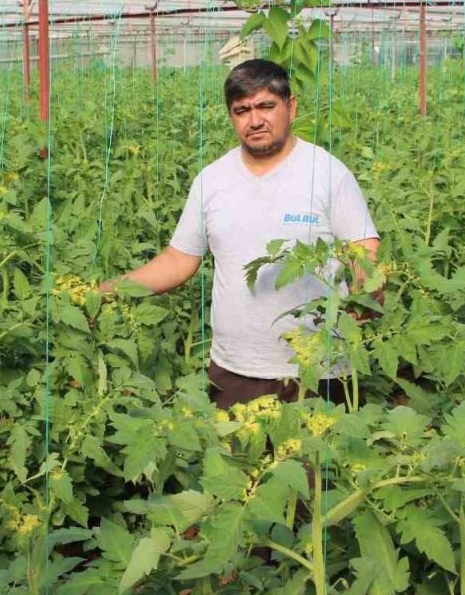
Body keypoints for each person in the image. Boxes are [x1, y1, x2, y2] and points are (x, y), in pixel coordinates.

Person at [100, 59, 380, 409]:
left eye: (266, 106)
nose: (255, 120)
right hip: (234, 369)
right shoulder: (212, 181)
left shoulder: (327, 173)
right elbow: (178, 259)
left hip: (317, 369)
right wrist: (111, 289)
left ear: (290, 107)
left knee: (311, 463)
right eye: (242, 110)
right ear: (231, 116)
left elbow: (363, 248)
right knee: (235, 462)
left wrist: (364, 293)